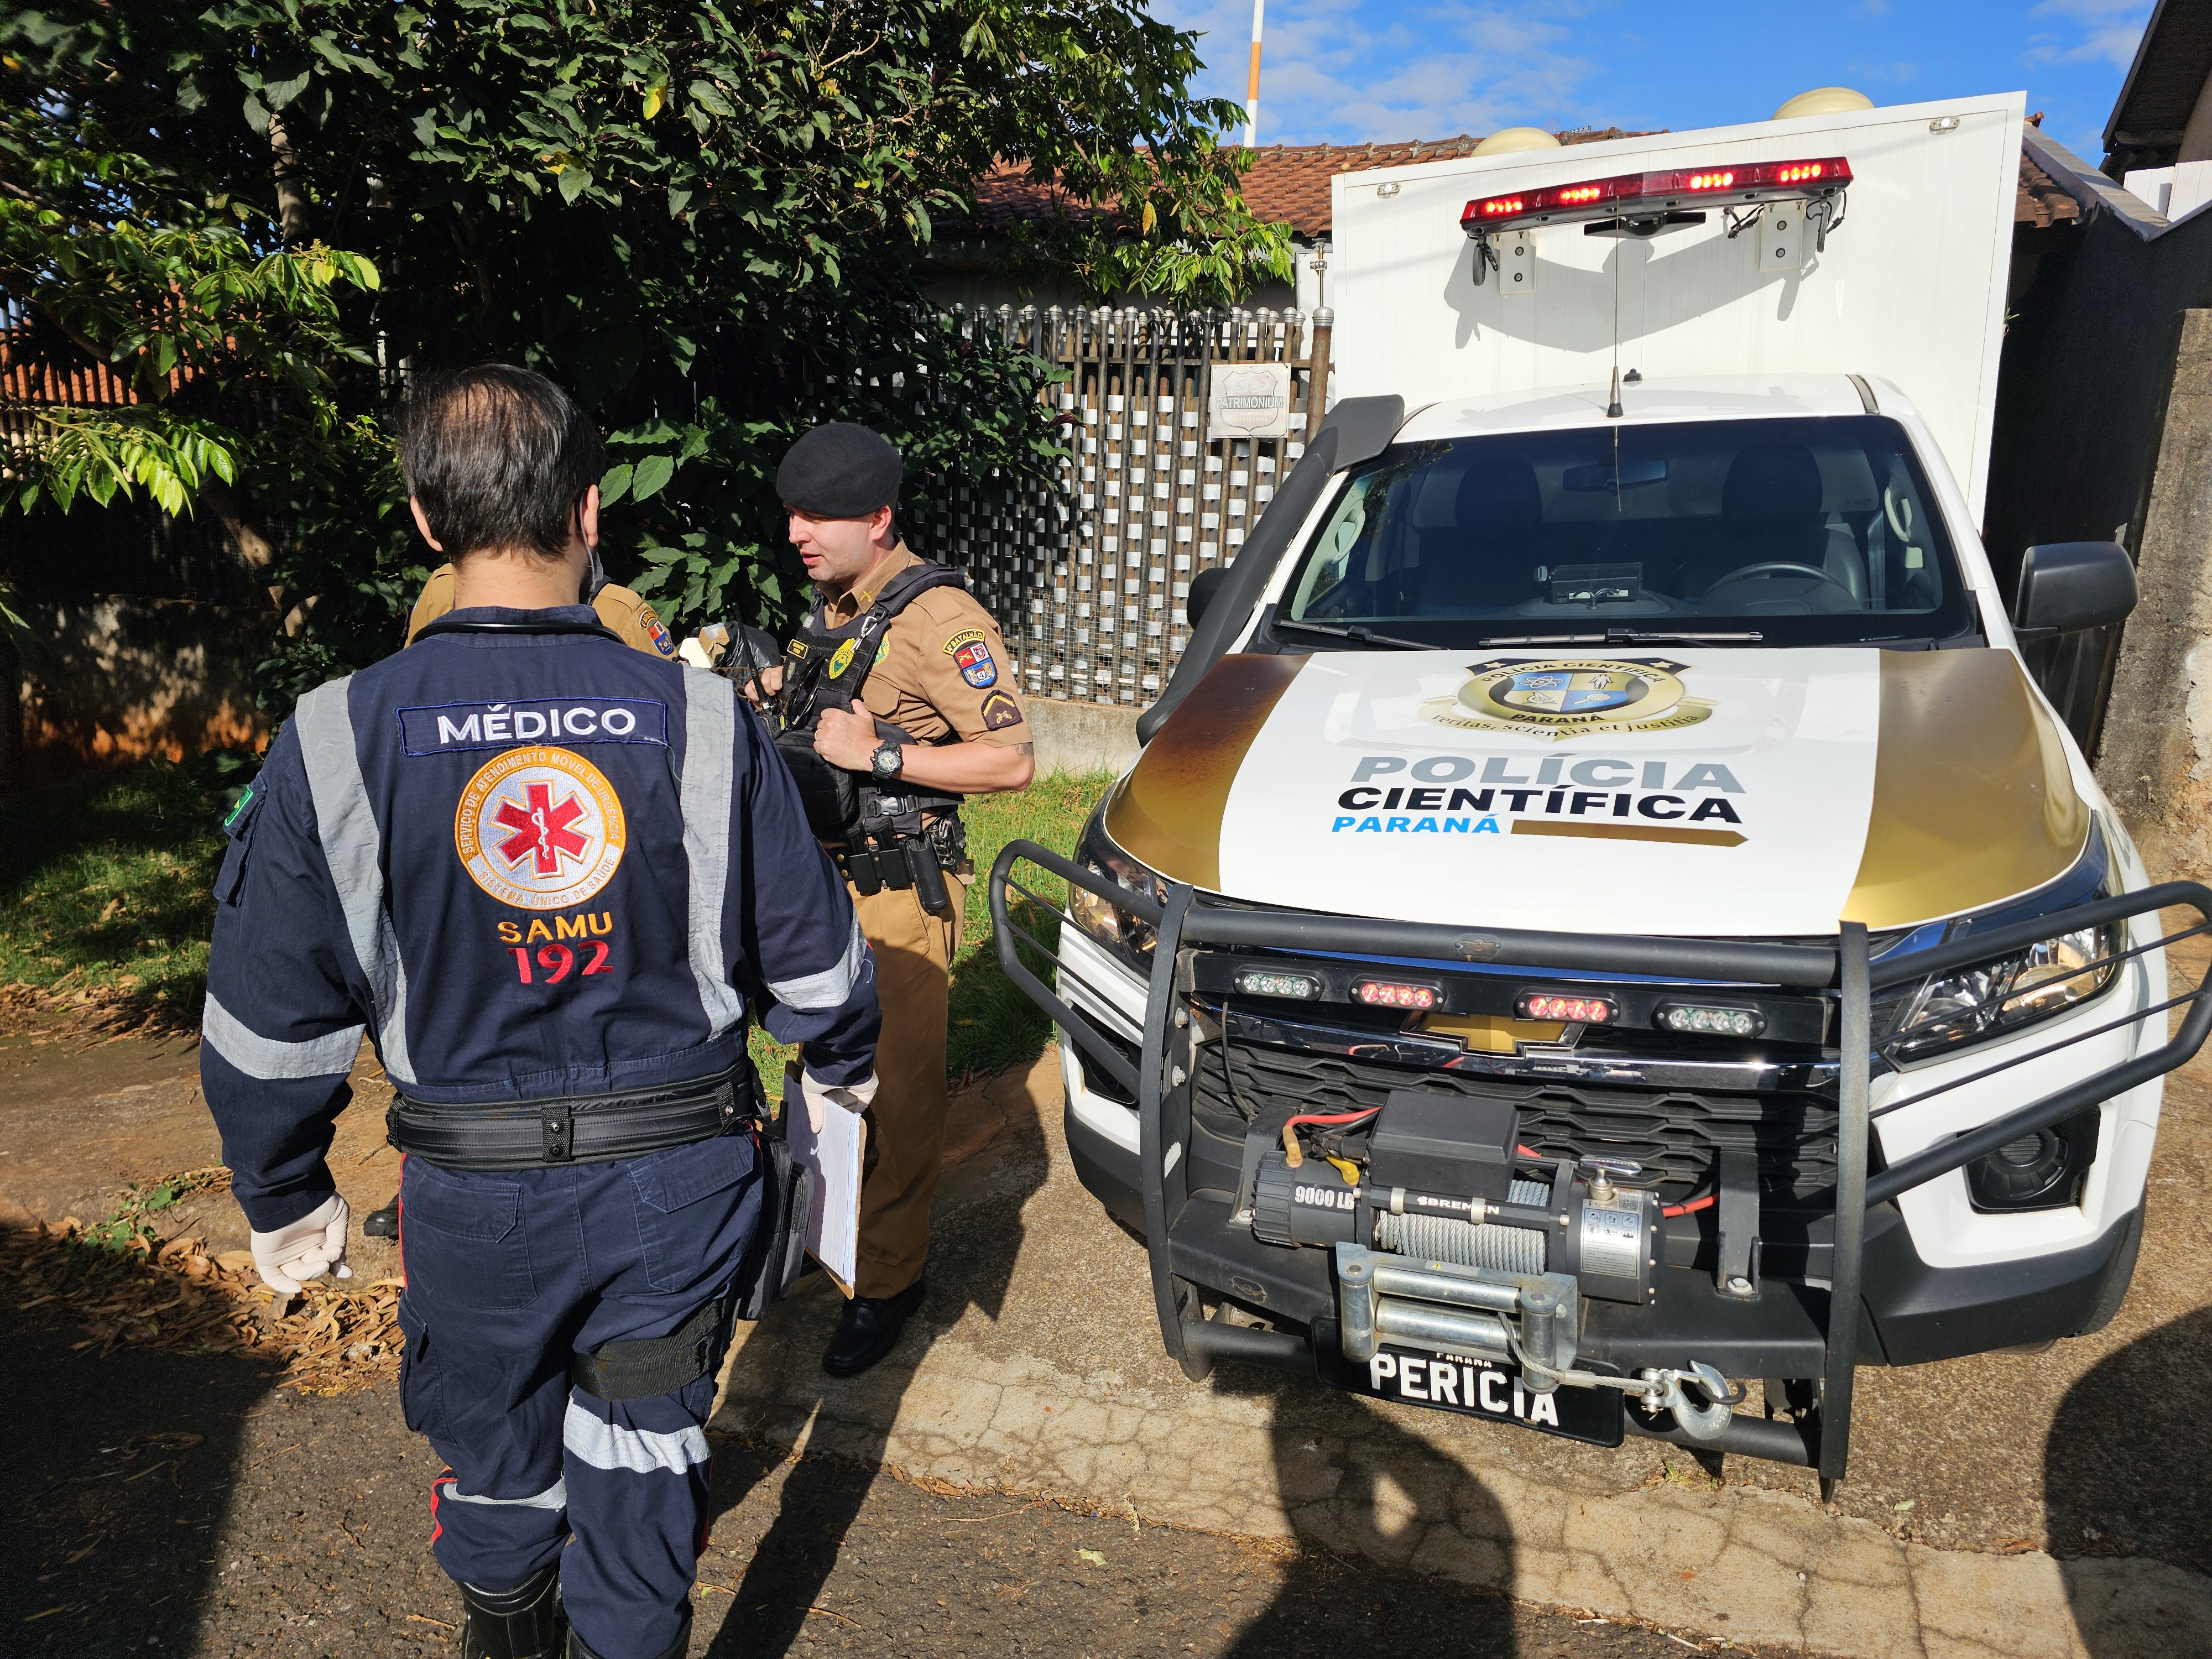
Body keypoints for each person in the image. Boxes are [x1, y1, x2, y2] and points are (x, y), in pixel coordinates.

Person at [199, 365, 880, 1659]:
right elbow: (819, 974)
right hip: (676, 1189)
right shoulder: (701, 720)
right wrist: (839, 1079)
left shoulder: (336, 732)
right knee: (643, 1462)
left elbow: (265, 1021)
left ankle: (506, 1618)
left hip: (469, 1201)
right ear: (588, 510)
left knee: (496, 1450)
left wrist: (283, 1192)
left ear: (420, 518)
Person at [756, 422, 1035, 1376]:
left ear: (879, 518)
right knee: (823, 1075)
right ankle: (826, 1239)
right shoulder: (835, 604)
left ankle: (888, 1281)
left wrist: (879, 755)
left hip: (896, 892)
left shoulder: (939, 618)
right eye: (792, 512)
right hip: (818, 883)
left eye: (820, 515)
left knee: (900, 1096)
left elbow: (1012, 759)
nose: (799, 531)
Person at [359, 542, 682, 1244]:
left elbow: (665, 732)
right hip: (479, 846)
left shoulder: (616, 608)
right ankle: (428, 1176)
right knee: (458, 1022)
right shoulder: (441, 593)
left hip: (597, 851)